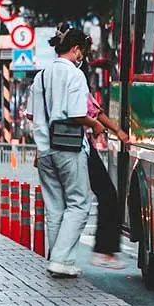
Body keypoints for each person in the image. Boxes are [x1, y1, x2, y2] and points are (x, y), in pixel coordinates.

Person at [27, 27, 104, 278]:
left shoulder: (41, 76)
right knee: (80, 204)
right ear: (76, 49)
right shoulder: (75, 75)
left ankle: (61, 260)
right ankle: (60, 259)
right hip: (69, 149)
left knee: (56, 207)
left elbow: (31, 114)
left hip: (44, 150)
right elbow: (76, 113)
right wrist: (95, 124)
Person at [86, 94, 130, 269]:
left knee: (61, 204)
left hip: (52, 148)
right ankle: (104, 251)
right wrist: (115, 130)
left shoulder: (44, 77)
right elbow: (92, 112)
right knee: (107, 195)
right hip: (78, 145)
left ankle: (58, 257)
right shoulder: (74, 76)